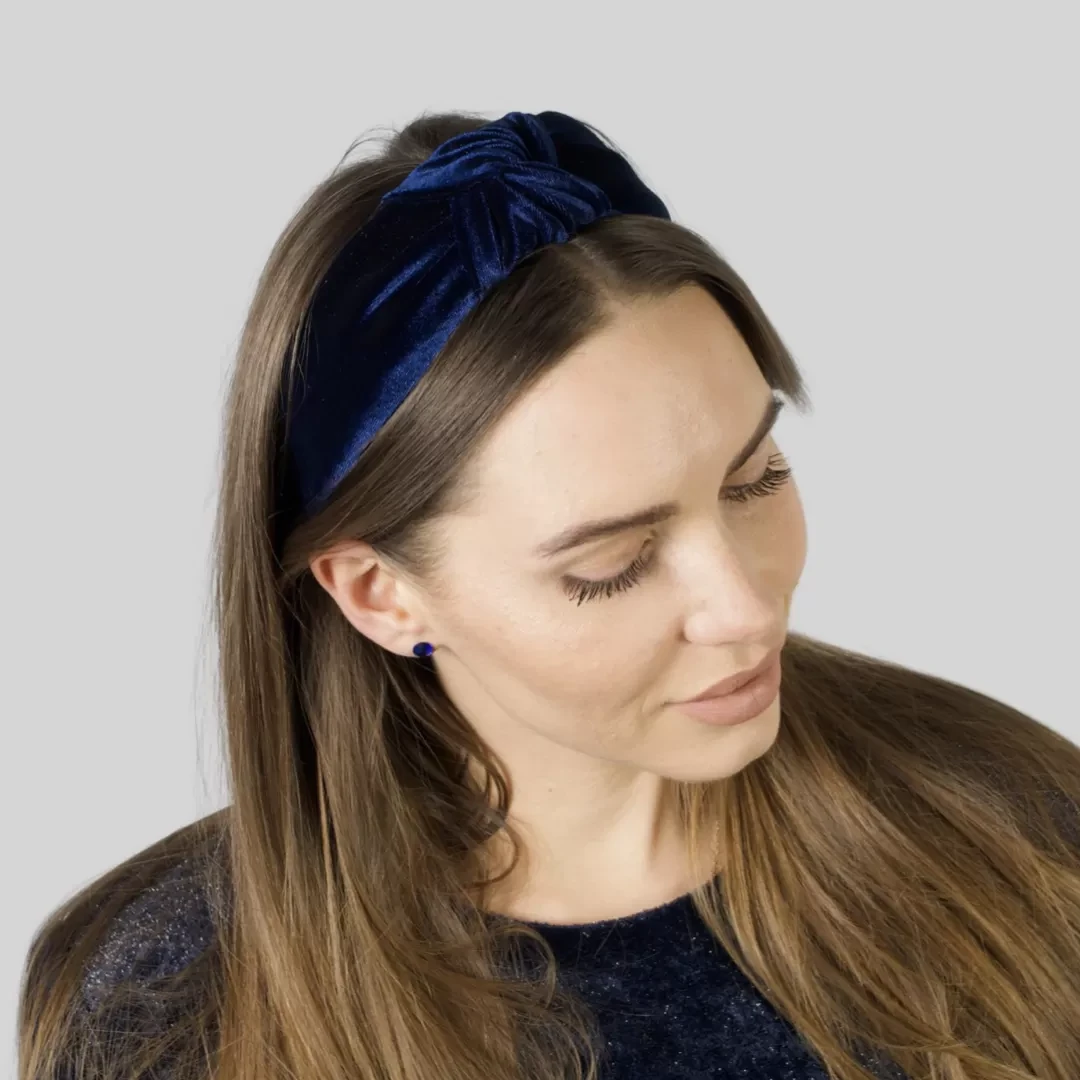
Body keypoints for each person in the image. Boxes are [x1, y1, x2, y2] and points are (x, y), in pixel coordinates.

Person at [17, 109, 1080, 1080]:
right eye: (611, 563)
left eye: (755, 479)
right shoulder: (163, 1004)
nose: (746, 608)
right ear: (383, 595)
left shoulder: (1022, 834)